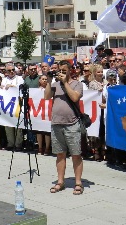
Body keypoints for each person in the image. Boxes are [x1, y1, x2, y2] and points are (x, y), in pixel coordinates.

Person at [45, 60, 84, 195]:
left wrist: (65, 83)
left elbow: (74, 98)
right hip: (56, 123)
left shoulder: (77, 84)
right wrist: (49, 81)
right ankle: (60, 181)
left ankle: (78, 182)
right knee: (60, 154)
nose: (61, 73)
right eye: (59, 71)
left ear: (69, 71)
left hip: (72, 124)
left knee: (76, 154)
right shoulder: (55, 84)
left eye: (64, 71)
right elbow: (46, 96)